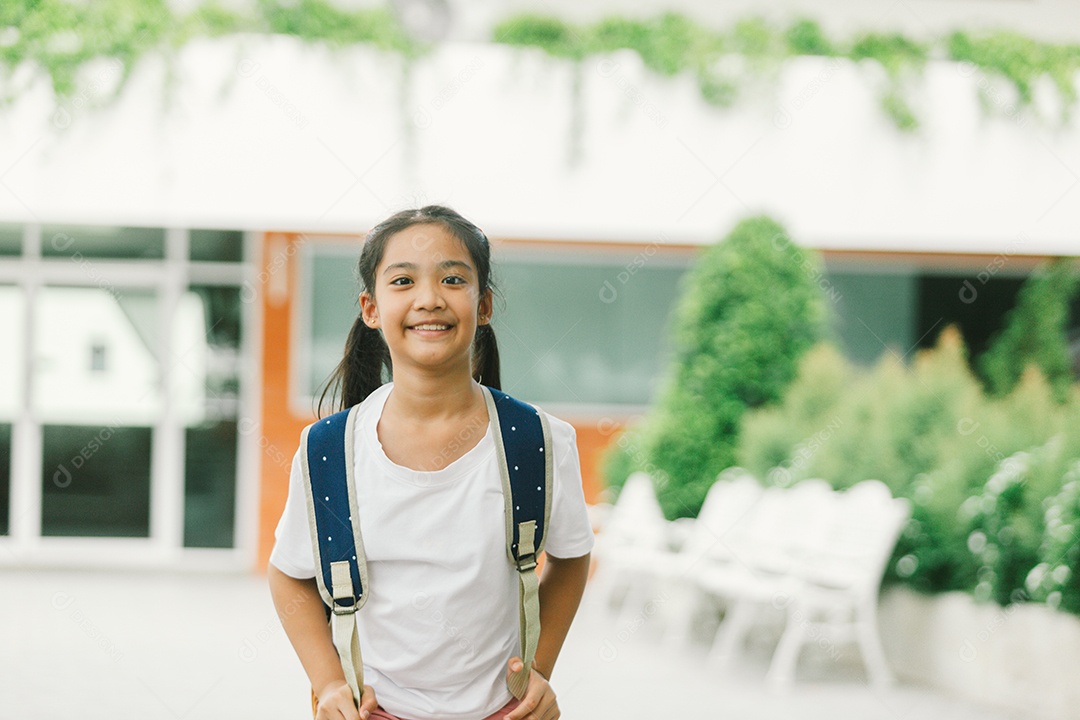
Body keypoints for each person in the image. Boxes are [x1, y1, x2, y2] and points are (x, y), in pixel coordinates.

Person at [268, 206, 594, 720]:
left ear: (483, 304)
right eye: (403, 280)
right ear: (370, 308)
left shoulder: (539, 442)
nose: (429, 299)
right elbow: (289, 575)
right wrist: (329, 683)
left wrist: (538, 673)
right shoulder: (328, 451)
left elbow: (572, 558)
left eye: (452, 278)